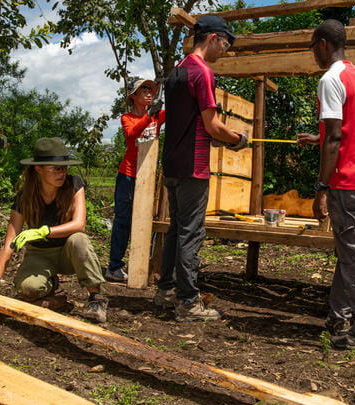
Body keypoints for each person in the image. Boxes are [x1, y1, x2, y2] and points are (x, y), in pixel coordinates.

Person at [296, 19, 355, 350]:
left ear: (322, 44)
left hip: (346, 183)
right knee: (349, 253)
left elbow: (334, 138)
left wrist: (322, 186)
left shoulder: (330, 80)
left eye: (312, 48)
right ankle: (338, 317)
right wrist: (317, 137)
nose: (313, 55)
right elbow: (349, 132)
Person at [156, 14, 248, 322]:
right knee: (191, 233)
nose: (224, 50)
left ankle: (166, 291)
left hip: (172, 163)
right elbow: (212, 125)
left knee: (175, 230)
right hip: (193, 167)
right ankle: (188, 303)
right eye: (224, 43)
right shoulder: (203, 72)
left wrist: (217, 137)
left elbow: (191, 123)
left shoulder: (177, 70)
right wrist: (237, 139)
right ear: (212, 38)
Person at [0, 138, 109, 323]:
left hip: (69, 251)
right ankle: (50, 284)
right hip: (40, 254)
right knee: (29, 289)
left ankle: (96, 299)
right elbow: (10, 242)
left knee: (79, 239)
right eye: (55, 168)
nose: (62, 173)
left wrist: (44, 231)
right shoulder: (24, 197)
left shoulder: (74, 184)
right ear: (38, 169)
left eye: (64, 168)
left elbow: (78, 224)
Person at [104, 79, 165, 282]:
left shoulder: (157, 116)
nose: (149, 93)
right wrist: (150, 116)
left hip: (147, 176)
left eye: (151, 90)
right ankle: (114, 267)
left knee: (146, 218)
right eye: (143, 90)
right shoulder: (127, 118)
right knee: (123, 220)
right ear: (133, 96)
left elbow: (177, 112)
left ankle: (143, 264)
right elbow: (132, 135)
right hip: (128, 175)